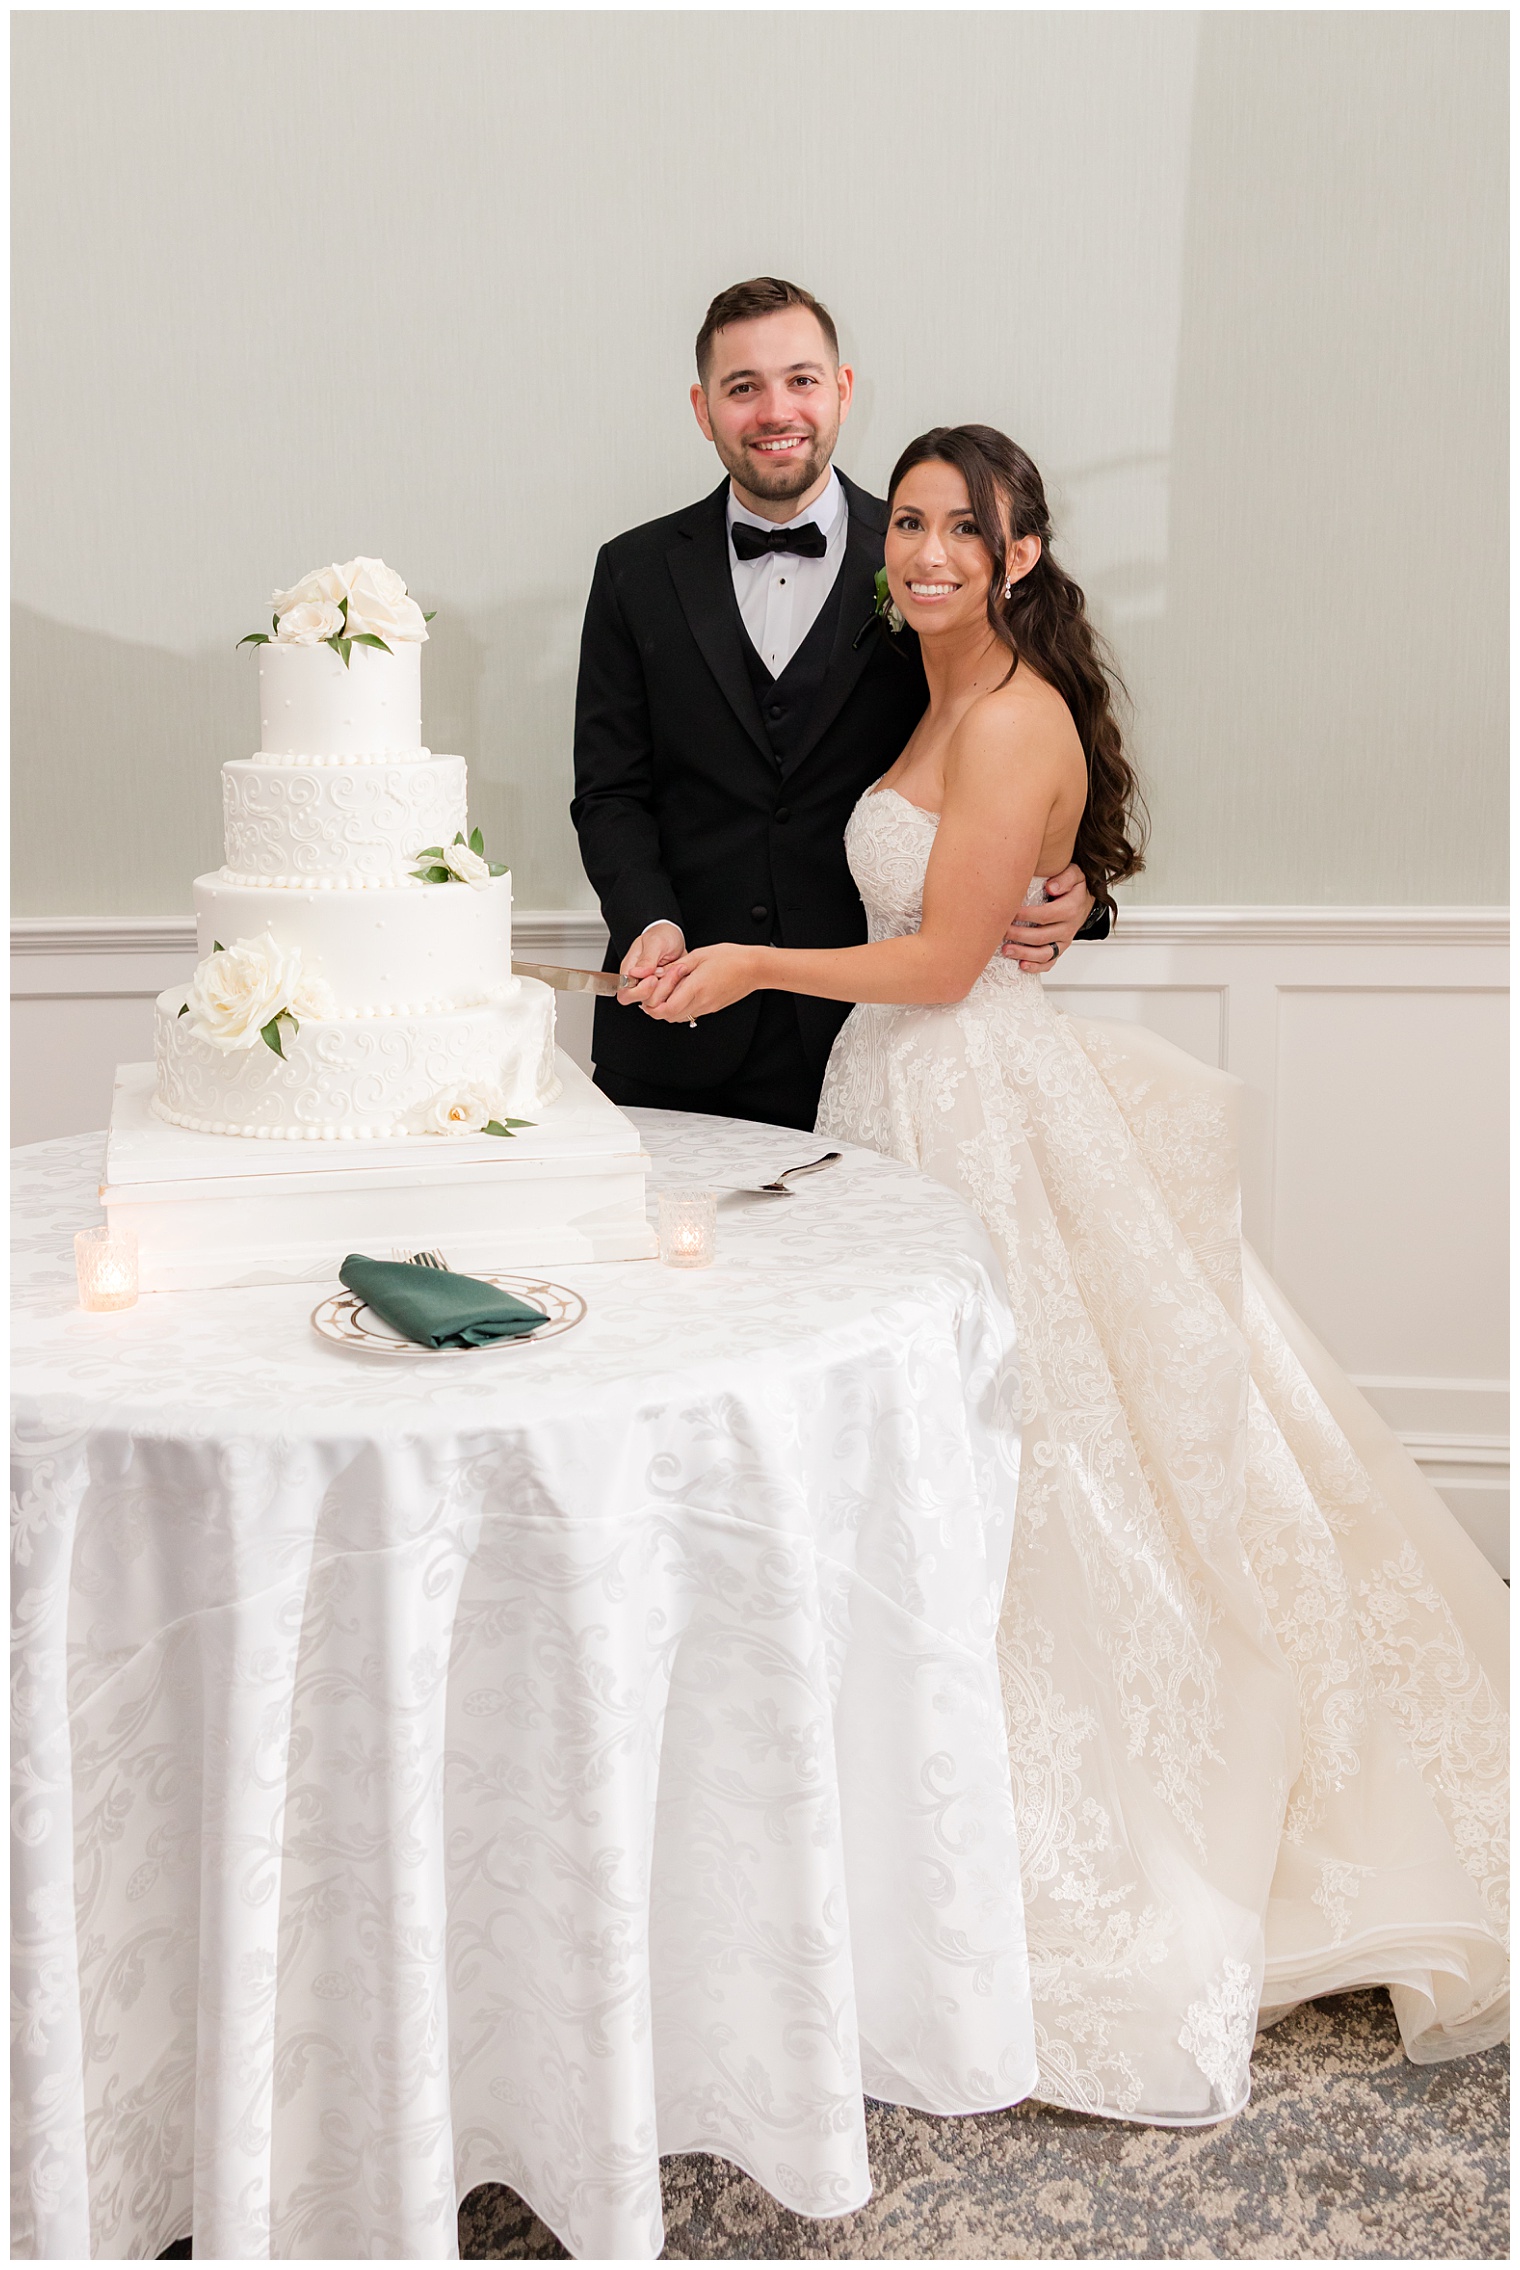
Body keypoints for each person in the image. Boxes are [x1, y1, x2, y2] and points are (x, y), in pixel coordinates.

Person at [640, 422, 1509, 2120]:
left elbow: (954, 955)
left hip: (966, 1099)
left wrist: (754, 958)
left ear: (1021, 554)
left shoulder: (1016, 710)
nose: (933, 552)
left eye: (968, 530)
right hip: (892, 1100)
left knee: (1053, 1464)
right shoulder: (930, 691)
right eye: (914, 526)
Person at [570, 277, 1105, 1131]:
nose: (776, 409)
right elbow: (609, 790)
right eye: (743, 388)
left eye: (802, 379)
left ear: (843, 390)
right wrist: (650, 919)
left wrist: (1072, 888)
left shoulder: (922, 568)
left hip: (857, 1038)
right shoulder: (633, 572)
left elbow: (1029, 750)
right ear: (705, 409)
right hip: (673, 1030)